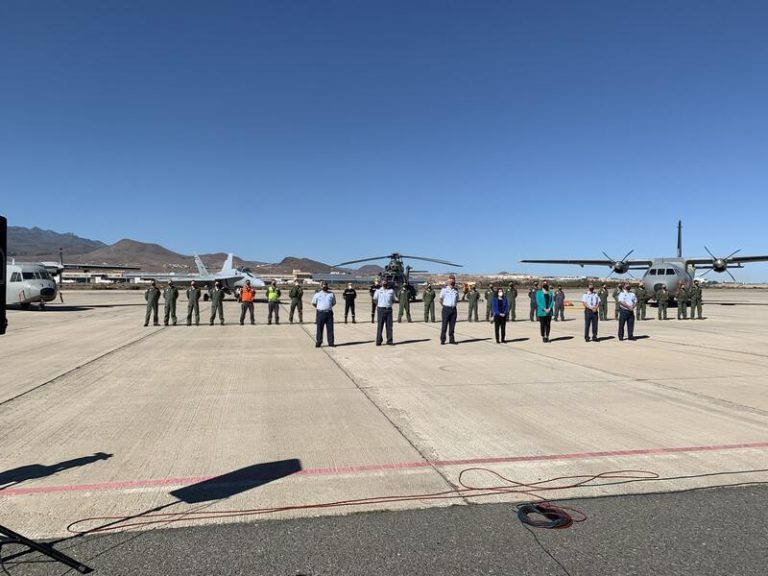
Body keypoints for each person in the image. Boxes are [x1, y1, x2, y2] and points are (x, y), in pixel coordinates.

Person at [312, 281, 336, 347]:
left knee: (330, 328)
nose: (325, 287)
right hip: (320, 313)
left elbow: (333, 303)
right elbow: (314, 303)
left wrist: (327, 307)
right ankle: (319, 342)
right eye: (324, 286)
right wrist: (320, 307)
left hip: (329, 313)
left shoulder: (331, 294)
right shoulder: (317, 294)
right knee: (319, 328)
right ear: (321, 286)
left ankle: (331, 342)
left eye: (326, 285)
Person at [373, 279, 396, 345]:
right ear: (381, 284)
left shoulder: (391, 291)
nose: (384, 284)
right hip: (381, 309)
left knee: (389, 326)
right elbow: (374, 299)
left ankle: (389, 341)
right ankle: (378, 341)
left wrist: (389, 304)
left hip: (388, 310)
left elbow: (393, 300)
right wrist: (379, 304)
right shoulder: (378, 291)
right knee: (380, 325)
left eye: (385, 283)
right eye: (383, 283)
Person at [439, 277, 460, 345]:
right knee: (444, 325)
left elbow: (457, 299)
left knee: (452, 326)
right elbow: (440, 300)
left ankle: (452, 339)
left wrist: (453, 305)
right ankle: (443, 339)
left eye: (453, 282)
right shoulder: (444, 290)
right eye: (450, 281)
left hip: (453, 309)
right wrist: (445, 306)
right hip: (446, 309)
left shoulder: (456, 290)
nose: (451, 283)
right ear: (448, 282)